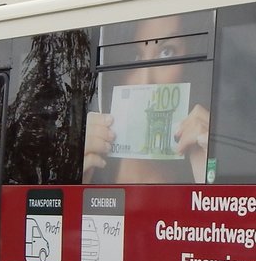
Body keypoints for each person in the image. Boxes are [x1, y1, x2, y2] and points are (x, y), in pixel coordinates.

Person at [83, 14, 210, 184]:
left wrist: (209, 180)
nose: (146, 81)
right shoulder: (91, 165)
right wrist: (76, 177)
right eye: (133, 56)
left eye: (167, 52)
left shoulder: (204, 157)